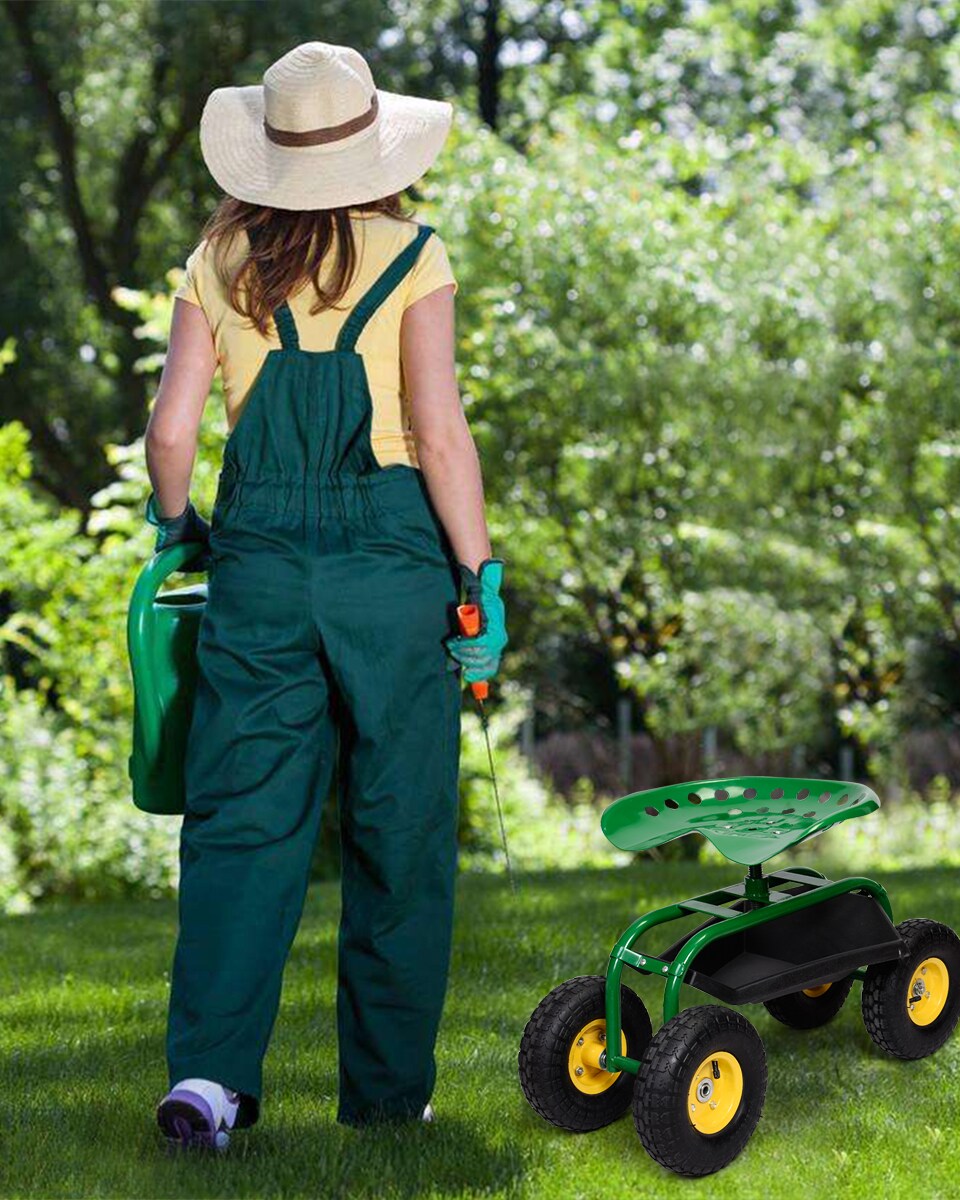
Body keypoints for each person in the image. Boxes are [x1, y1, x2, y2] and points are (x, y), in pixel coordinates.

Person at [142, 40, 507, 1149]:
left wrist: (180, 528)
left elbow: (170, 433)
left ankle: (210, 1085)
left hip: (256, 561)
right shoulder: (417, 255)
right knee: (399, 830)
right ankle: (388, 1096)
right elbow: (439, 434)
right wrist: (477, 578)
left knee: (241, 827)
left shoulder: (218, 261)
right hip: (391, 568)